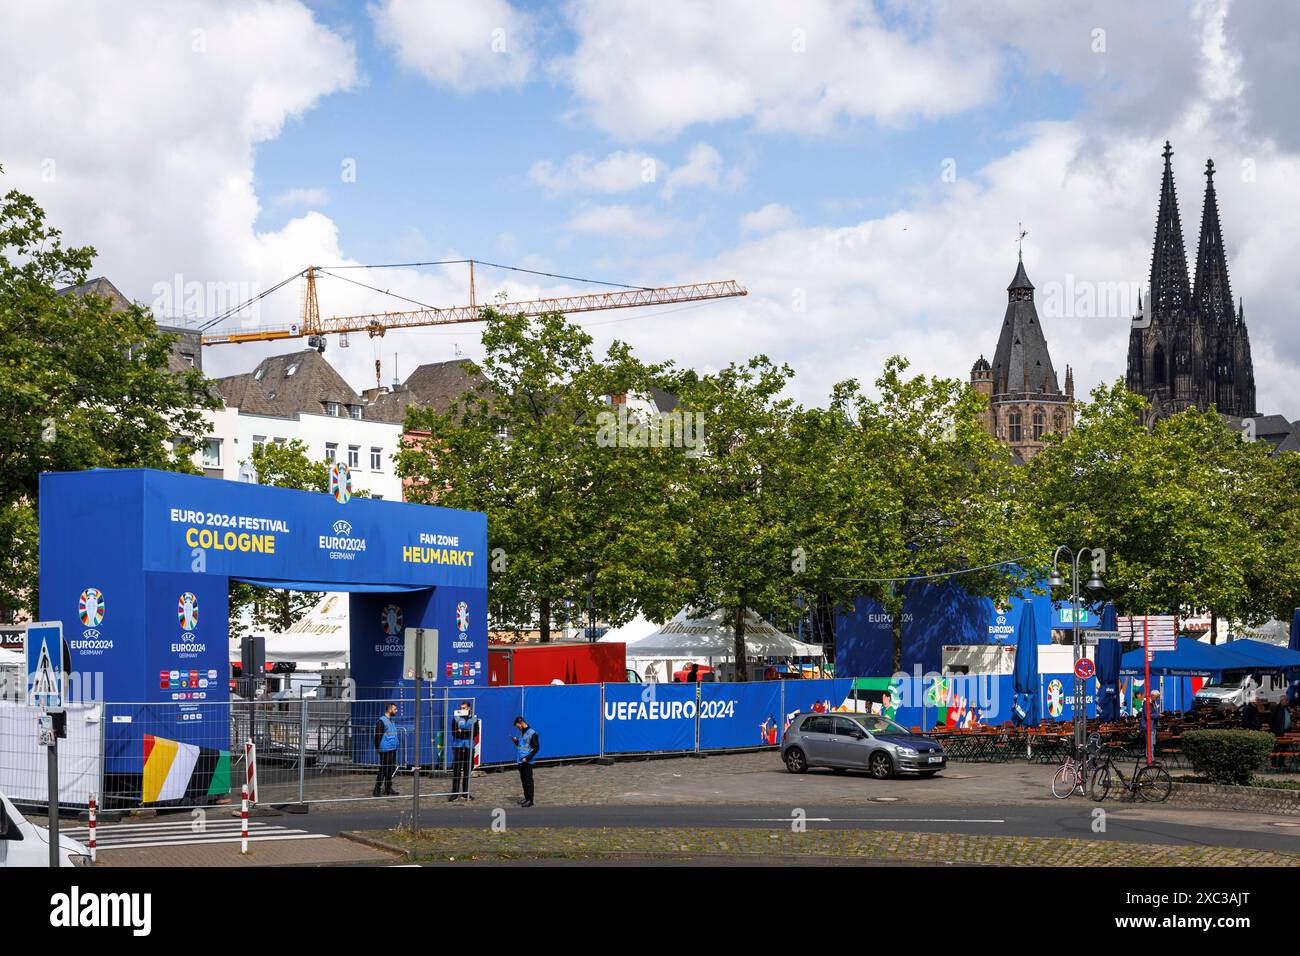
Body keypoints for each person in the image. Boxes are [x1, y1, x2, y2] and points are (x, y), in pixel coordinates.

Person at [511, 715, 540, 807]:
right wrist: (515, 741)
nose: (517, 728)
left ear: (521, 722)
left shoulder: (532, 733)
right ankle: (526, 797)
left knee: (528, 780)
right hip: (520, 760)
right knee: (523, 780)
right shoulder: (521, 732)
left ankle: (530, 800)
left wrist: (527, 758)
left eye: (517, 726)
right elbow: (521, 745)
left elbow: (536, 748)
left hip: (527, 761)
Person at [449, 702, 475, 802]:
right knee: (457, 770)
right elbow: (454, 732)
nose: (462, 709)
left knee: (468, 770)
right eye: (461, 708)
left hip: (469, 747)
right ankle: (454, 793)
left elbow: (475, 732)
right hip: (458, 746)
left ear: (468, 708)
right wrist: (467, 731)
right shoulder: (456, 718)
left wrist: (462, 731)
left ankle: (465, 793)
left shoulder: (473, 718)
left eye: (464, 708)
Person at [373, 702, 400, 797]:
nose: (396, 711)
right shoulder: (381, 721)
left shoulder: (391, 721)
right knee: (383, 769)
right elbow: (377, 736)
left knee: (390, 769)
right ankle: (377, 789)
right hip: (385, 749)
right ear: (389, 709)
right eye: (395, 709)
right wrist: (377, 748)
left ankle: (388, 788)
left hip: (392, 748)